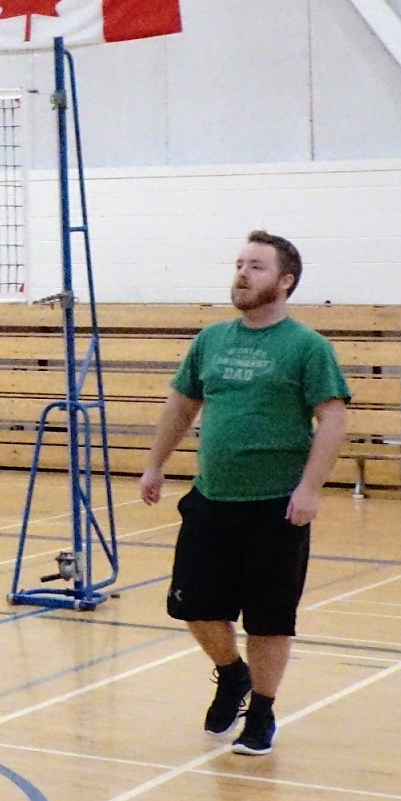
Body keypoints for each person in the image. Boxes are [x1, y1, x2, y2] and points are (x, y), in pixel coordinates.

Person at [139, 230, 351, 758]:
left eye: (256, 266)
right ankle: (231, 675)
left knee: (268, 619)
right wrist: (154, 464)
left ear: (285, 281)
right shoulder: (211, 340)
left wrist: (310, 489)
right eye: (238, 264)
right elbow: (181, 406)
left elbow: (333, 418)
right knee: (193, 605)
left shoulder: (307, 347)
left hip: (275, 507)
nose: (241, 274)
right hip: (212, 500)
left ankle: (261, 711)